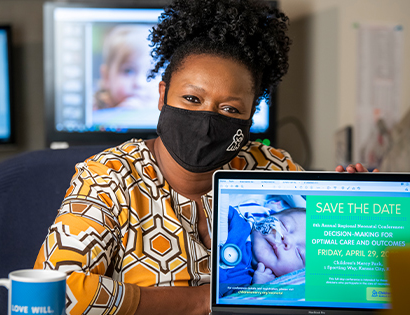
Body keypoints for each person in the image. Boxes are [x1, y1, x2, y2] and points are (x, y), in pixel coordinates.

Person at [34, 1, 370, 314]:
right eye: (192, 99)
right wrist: (204, 302)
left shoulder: (273, 168)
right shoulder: (109, 178)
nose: (207, 122)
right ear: (163, 94)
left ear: (250, 116)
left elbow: (333, 277)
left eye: (229, 109)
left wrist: (357, 223)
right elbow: (52, 293)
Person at [219, 206, 306, 296]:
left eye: (299, 254)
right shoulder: (234, 222)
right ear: (268, 217)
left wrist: (257, 289)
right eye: (284, 226)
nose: (287, 239)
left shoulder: (248, 285)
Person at [93, 24, 159, 110]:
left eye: (151, 73)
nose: (140, 83)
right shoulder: (93, 109)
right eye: (129, 71)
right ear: (106, 76)